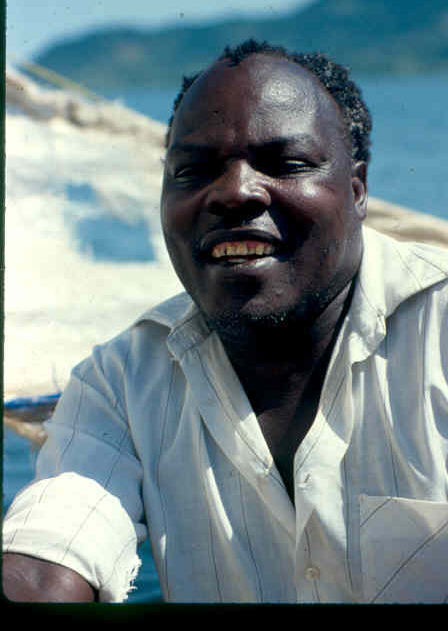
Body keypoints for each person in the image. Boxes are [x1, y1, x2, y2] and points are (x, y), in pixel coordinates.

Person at [3, 39, 448, 604]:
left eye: (286, 164)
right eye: (193, 170)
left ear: (357, 190)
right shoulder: (119, 382)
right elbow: (49, 557)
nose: (235, 191)